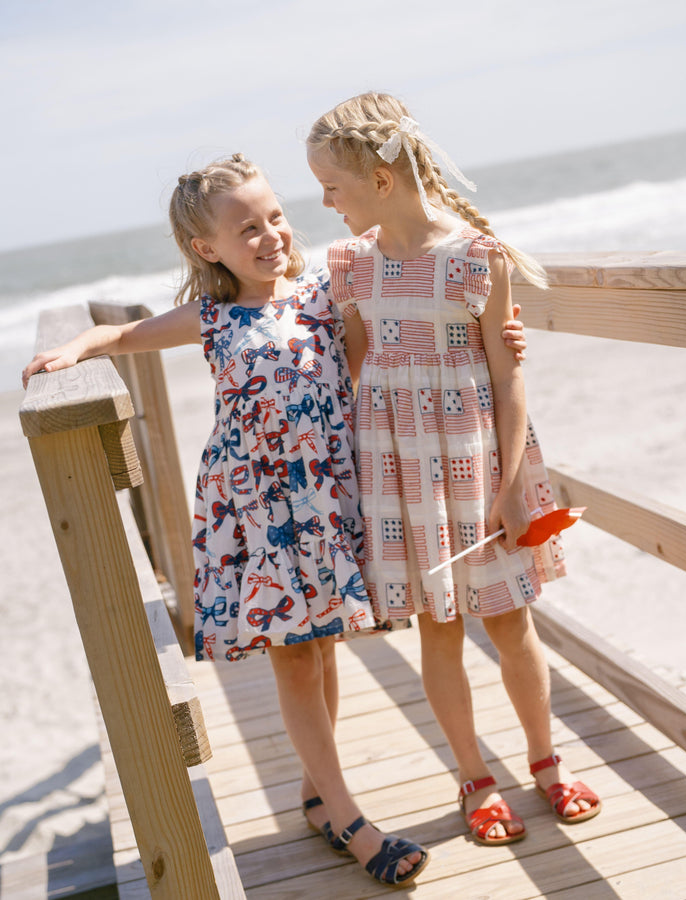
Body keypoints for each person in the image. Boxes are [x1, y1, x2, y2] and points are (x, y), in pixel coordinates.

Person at [22, 153, 432, 887]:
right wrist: (77, 345)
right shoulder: (212, 317)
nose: (270, 234)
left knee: (324, 643)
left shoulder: (325, 290)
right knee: (296, 655)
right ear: (206, 248)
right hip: (257, 511)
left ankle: (316, 793)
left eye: (274, 216)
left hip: (328, 499)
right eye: (248, 227)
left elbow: (400, 299)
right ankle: (347, 815)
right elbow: (122, 338)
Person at [306, 92, 601, 846]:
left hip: (478, 469)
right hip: (401, 477)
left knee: (509, 620)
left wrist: (507, 491)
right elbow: (356, 365)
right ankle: (474, 777)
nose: (325, 204)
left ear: (379, 180)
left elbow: (508, 381)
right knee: (438, 630)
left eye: (331, 188)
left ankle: (545, 760)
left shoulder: (476, 257)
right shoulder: (348, 267)